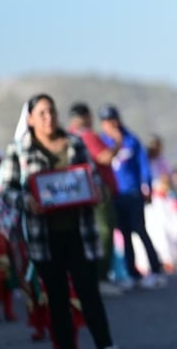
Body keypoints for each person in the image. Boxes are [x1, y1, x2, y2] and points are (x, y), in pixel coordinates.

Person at [0, 94, 116, 348]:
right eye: (42, 113)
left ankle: (106, 344)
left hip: (80, 233)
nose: (49, 117)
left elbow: (93, 177)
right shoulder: (19, 150)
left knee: (89, 293)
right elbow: (4, 191)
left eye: (52, 111)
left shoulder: (75, 143)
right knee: (56, 299)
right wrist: (28, 201)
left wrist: (97, 190)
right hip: (44, 238)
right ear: (30, 119)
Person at [98, 104, 165, 290]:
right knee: (124, 234)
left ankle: (156, 269)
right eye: (106, 121)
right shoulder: (102, 143)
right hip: (115, 196)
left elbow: (144, 165)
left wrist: (147, 187)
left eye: (113, 120)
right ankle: (132, 273)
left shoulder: (131, 140)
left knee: (140, 230)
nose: (111, 124)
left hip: (133, 193)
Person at [67, 102, 122, 295]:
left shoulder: (69, 136)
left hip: (82, 193)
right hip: (97, 192)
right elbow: (104, 157)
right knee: (104, 232)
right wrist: (117, 142)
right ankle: (100, 278)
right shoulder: (86, 135)